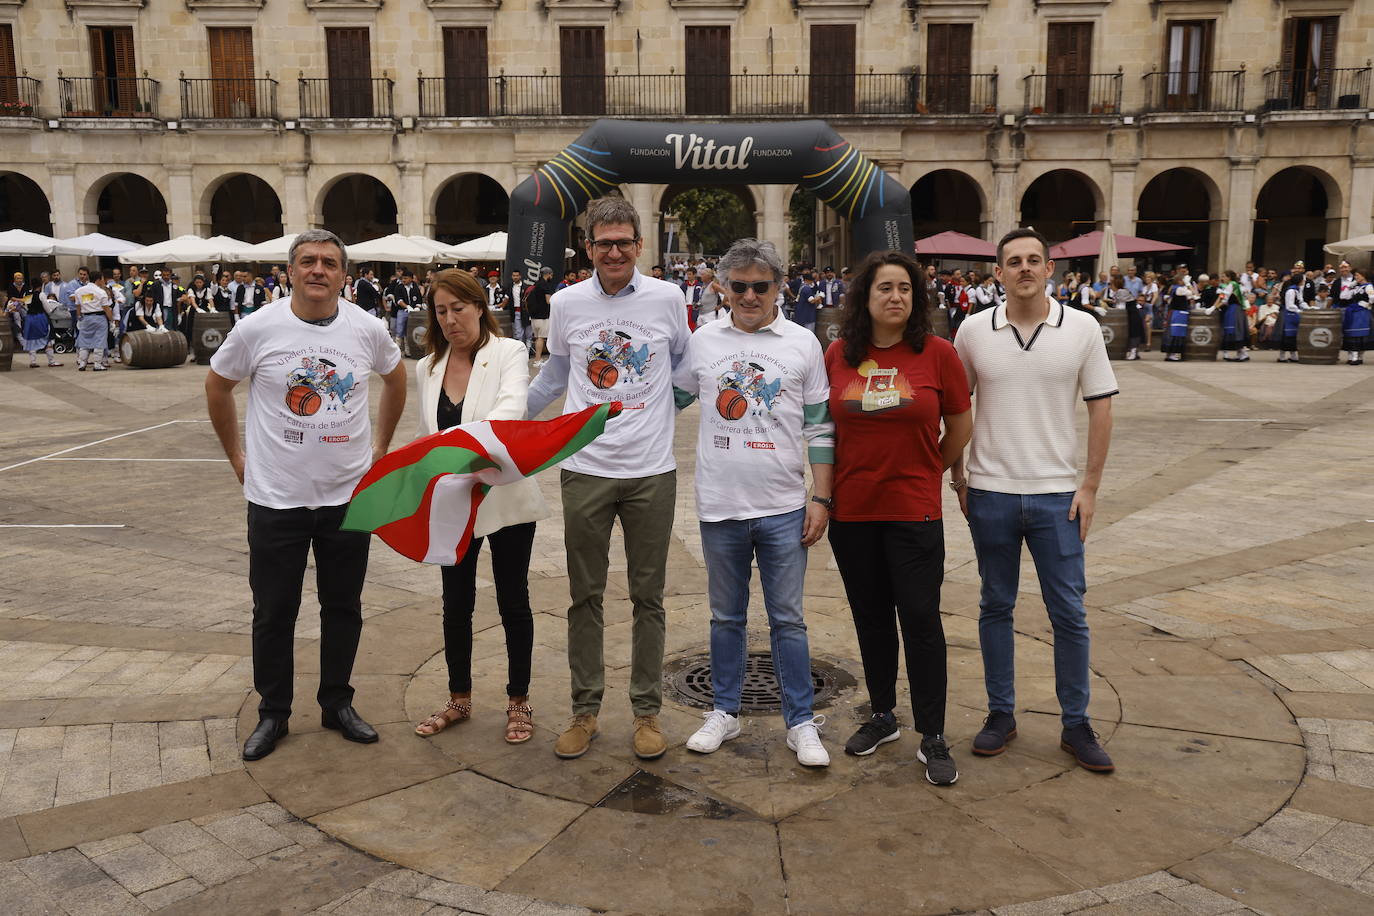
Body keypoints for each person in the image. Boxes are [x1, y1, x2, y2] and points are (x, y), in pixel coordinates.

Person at [205, 229, 408, 761]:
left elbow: (396, 377)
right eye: (308, 261)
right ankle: (274, 712)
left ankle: (337, 702)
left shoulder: (367, 329)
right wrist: (236, 458)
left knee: (343, 607)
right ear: (289, 271)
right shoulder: (257, 328)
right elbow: (217, 385)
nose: (319, 270)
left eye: (330, 263)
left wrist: (382, 450)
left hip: (347, 498)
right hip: (277, 499)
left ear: (345, 274)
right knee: (274, 610)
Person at [526, 196, 690, 761]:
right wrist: (503, 421)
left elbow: (687, 364)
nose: (614, 251)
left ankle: (646, 713)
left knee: (649, 597)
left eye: (624, 242)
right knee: (584, 596)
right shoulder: (567, 302)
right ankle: (585, 711)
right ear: (588, 248)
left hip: (651, 472)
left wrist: (664, 410)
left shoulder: (669, 298)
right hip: (586, 470)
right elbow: (556, 373)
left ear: (638, 246)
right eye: (604, 243)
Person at [952, 228, 1118, 773]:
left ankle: (1077, 722)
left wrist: (1089, 485)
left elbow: (1100, 407)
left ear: (1051, 270)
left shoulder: (1083, 328)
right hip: (993, 491)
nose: (1024, 268)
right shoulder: (974, 330)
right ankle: (1001, 713)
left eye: (1034, 260)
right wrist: (958, 472)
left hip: (1056, 496)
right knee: (995, 605)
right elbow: (958, 405)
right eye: (1013, 262)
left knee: (1069, 612)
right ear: (997, 274)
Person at [672, 238, 835, 768]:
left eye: (760, 286)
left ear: (778, 287)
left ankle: (801, 722)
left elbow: (820, 426)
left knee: (788, 619)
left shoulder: (802, 344)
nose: (748, 295)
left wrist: (822, 497)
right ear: (722, 287)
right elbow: (666, 401)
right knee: (726, 618)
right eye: (737, 286)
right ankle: (724, 710)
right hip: (720, 506)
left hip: (785, 505)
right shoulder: (702, 342)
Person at [823, 250, 972, 785]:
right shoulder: (838, 355)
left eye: (906, 289)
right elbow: (824, 430)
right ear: (866, 297)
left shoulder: (937, 354)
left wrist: (936, 467)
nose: (896, 297)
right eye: (885, 288)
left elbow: (959, 423)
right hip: (854, 510)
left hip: (914, 509)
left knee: (921, 620)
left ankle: (932, 732)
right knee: (871, 618)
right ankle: (883, 715)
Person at [412, 269, 547, 743]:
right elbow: (428, 437)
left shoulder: (508, 352)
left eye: (459, 308)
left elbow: (510, 415)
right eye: (441, 311)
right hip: (453, 503)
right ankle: (459, 699)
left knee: (514, 599)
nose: (450, 320)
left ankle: (518, 701)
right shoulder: (426, 366)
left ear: (479, 307)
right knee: (456, 605)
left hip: (503, 495)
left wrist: (454, 453)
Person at [72, 269, 115, 371]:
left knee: (84, 340)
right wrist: (112, 321)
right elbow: (106, 309)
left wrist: (79, 318)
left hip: (85, 318)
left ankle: (82, 363)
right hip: (99, 318)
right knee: (99, 341)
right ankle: (97, 364)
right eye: (102, 279)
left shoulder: (79, 291)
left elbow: (77, 307)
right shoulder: (101, 292)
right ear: (98, 279)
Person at [20, 280, 63, 367]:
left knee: (31, 338)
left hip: (29, 318)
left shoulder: (26, 294)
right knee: (48, 338)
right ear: (40, 286)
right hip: (40, 317)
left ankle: (33, 361)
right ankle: (51, 361)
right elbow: (47, 308)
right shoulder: (41, 294)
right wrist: (51, 312)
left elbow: (25, 306)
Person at [1339, 267, 1371, 366]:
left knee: (1360, 333)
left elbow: (1372, 298)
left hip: (1362, 313)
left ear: (1363, 276)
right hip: (1353, 312)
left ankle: (1357, 357)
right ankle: (1353, 356)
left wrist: (1367, 304)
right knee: (1351, 333)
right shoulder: (1356, 287)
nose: (1355, 277)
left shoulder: (1368, 286)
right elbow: (1343, 296)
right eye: (1355, 275)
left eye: (1357, 275)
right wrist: (1349, 287)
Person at [1216, 270, 1250, 362]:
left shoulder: (1231, 285)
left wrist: (1215, 307)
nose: (1222, 278)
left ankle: (1242, 353)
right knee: (1238, 329)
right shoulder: (1238, 286)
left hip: (1234, 309)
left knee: (1235, 330)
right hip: (1238, 309)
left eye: (1224, 276)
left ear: (1229, 277)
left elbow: (1224, 299)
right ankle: (1242, 353)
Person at [1161, 269, 1193, 362]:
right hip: (1178, 313)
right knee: (1176, 333)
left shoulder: (1174, 287)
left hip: (1175, 312)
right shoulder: (1179, 289)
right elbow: (1192, 293)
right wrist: (1188, 284)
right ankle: (1173, 354)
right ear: (1179, 280)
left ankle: (1170, 354)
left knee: (1173, 332)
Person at [526, 266, 555, 364]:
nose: (552, 277)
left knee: (538, 337)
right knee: (541, 338)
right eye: (551, 275)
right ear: (548, 274)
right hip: (543, 316)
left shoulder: (536, 284)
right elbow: (548, 301)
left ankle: (537, 358)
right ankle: (537, 359)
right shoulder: (545, 285)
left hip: (534, 316)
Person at [1279, 272, 1306, 363]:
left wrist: (1308, 308)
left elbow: (1301, 301)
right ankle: (1282, 356)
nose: (1304, 281)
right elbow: (1289, 305)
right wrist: (1299, 311)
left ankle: (1293, 355)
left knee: (1294, 337)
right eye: (1303, 280)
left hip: (1294, 316)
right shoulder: (1290, 291)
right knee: (1286, 337)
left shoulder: (1297, 290)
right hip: (1289, 316)